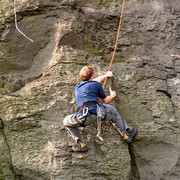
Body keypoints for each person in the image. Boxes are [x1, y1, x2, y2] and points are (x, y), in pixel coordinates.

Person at [63, 66, 138, 152]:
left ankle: (82, 145)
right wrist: (112, 95)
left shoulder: (77, 86)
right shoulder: (96, 85)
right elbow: (105, 100)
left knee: (66, 122)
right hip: (97, 112)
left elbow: (92, 82)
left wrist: (105, 75)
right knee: (113, 111)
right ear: (91, 76)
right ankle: (126, 136)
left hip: (82, 117)